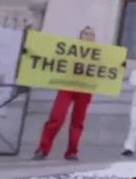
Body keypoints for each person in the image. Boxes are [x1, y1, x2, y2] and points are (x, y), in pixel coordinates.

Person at [33, 26, 96, 161]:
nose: (89, 36)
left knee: (78, 121)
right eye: (86, 33)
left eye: (92, 35)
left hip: (85, 89)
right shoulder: (69, 49)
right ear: (81, 35)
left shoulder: (99, 54)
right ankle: (42, 149)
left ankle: (72, 152)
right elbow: (52, 58)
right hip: (67, 87)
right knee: (56, 117)